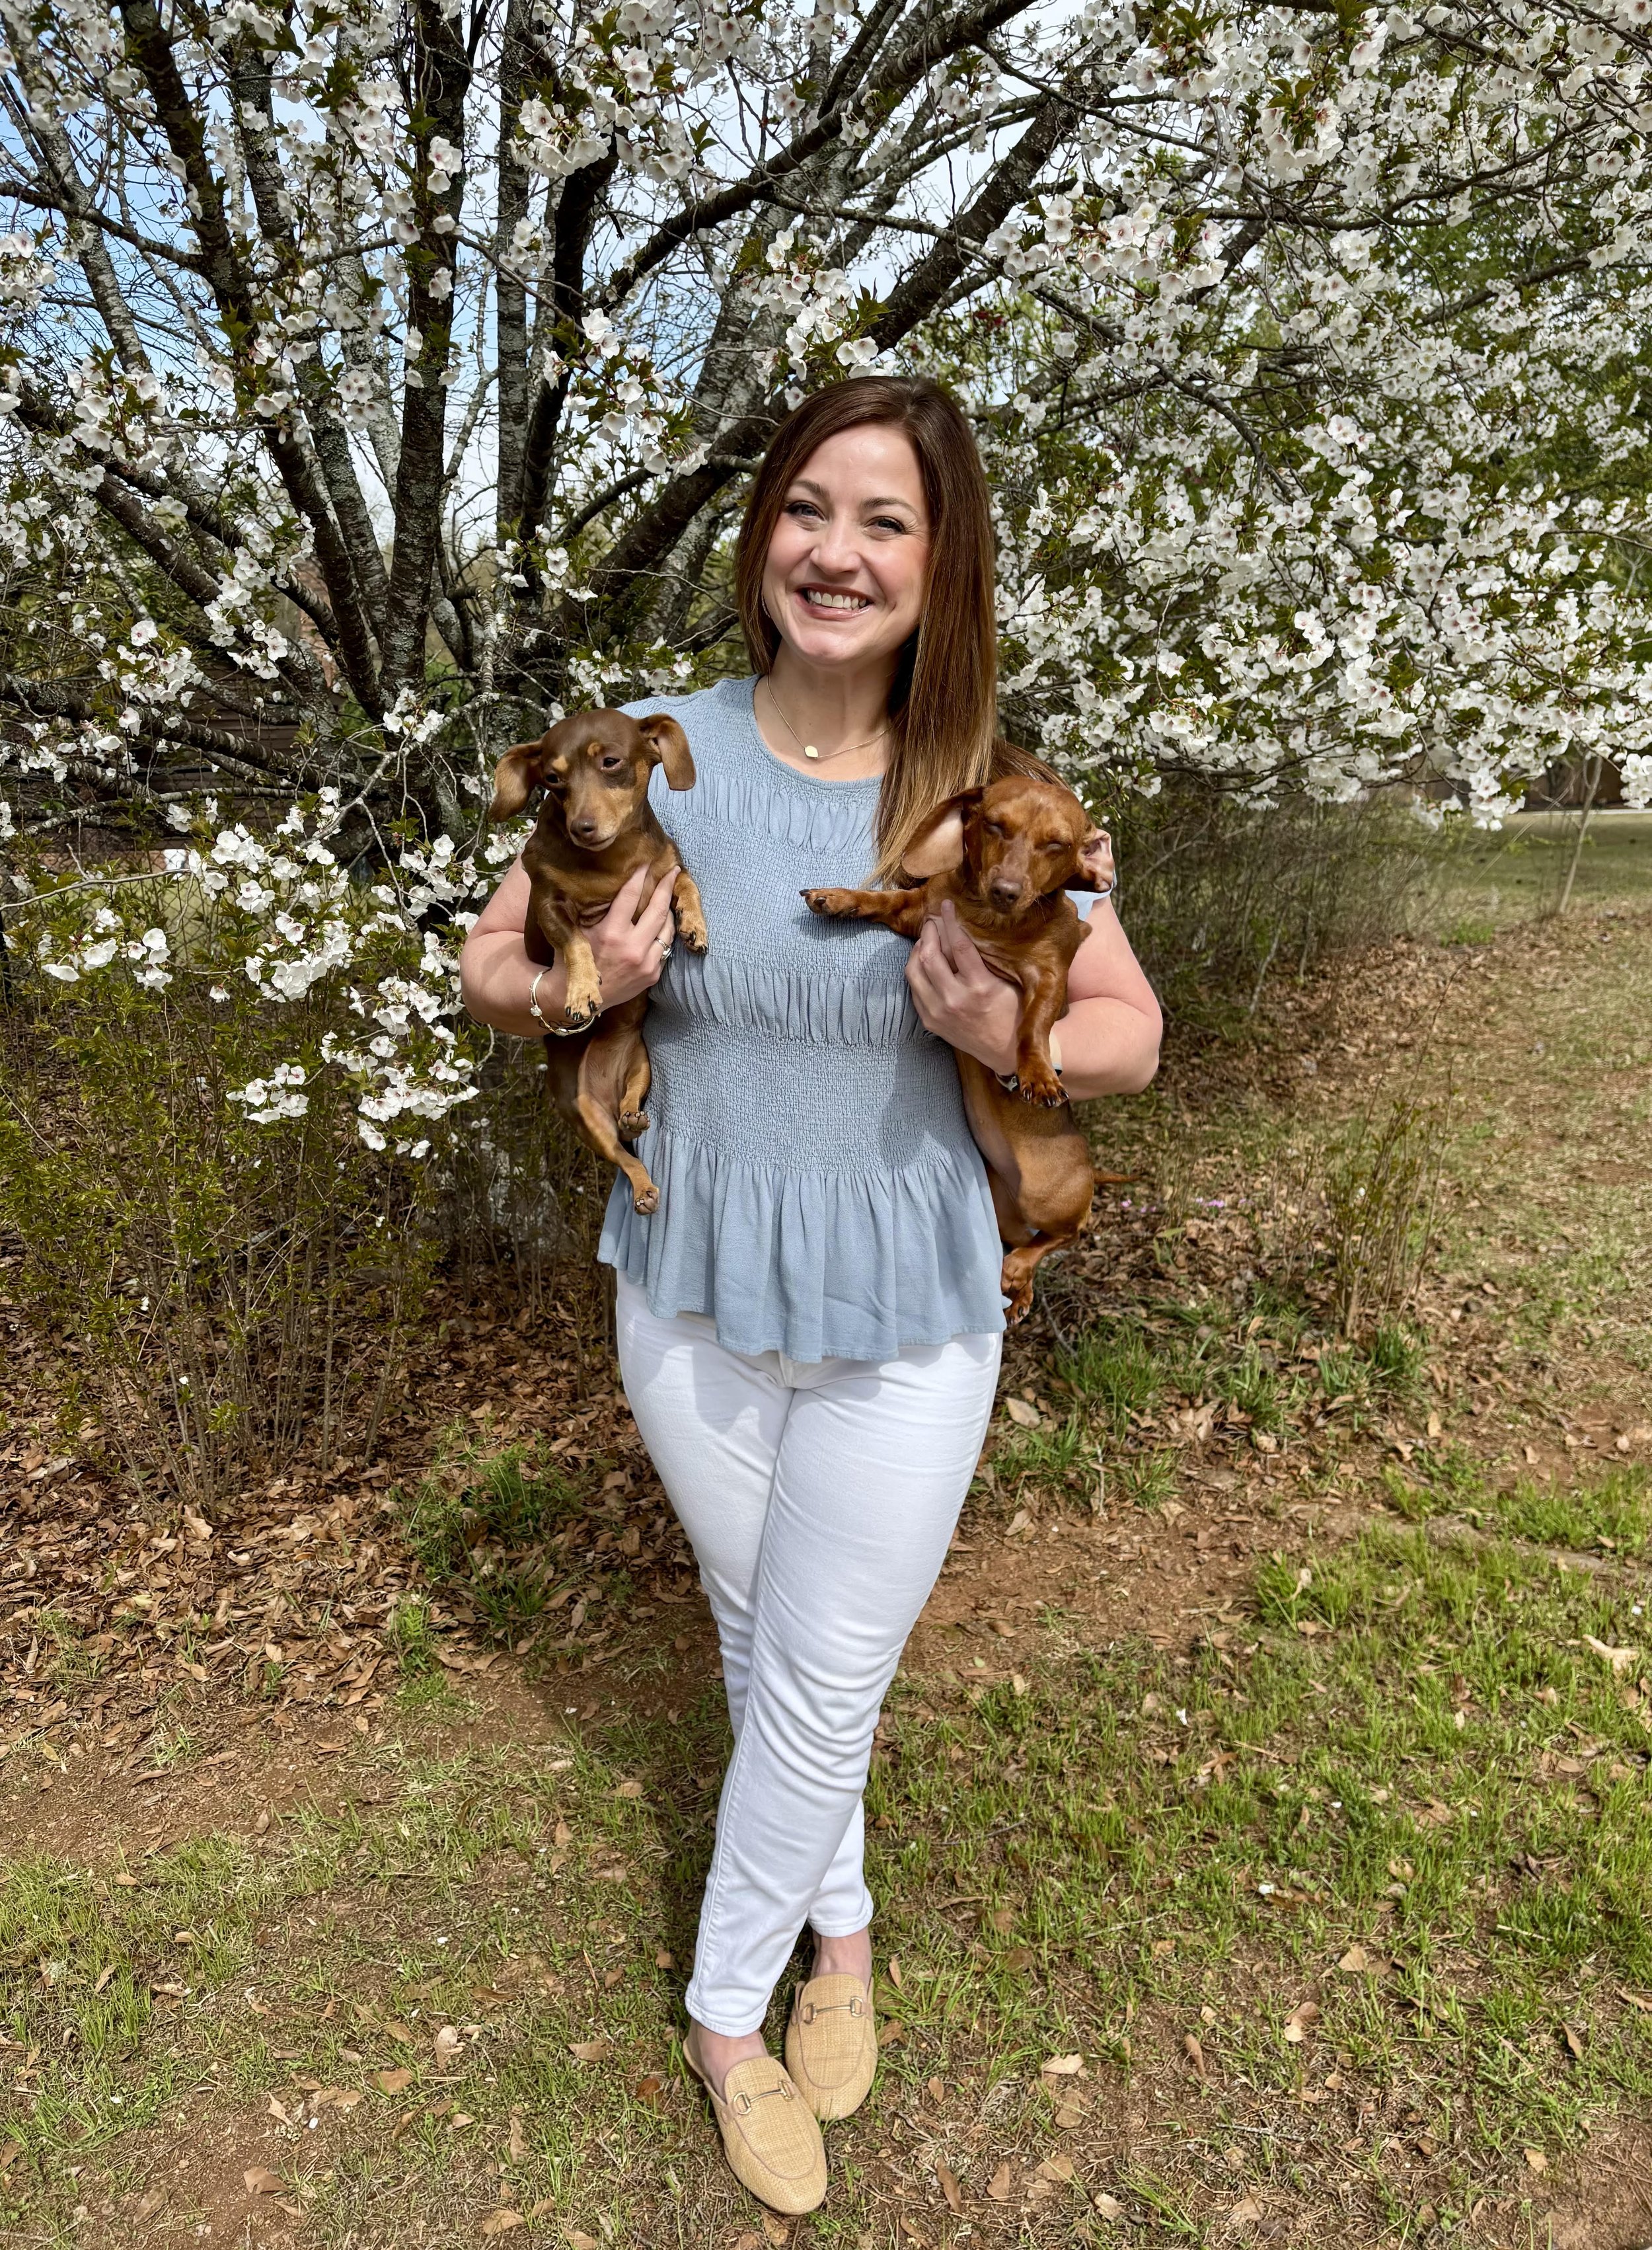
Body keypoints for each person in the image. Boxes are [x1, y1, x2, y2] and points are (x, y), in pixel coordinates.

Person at [460, 376, 1162, 2212]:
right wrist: (576, 991)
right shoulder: (657, 751)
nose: (835, 553)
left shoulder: (983, 791)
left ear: (939, 565)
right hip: (690, 1283)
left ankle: (721, 2013)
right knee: (764, 1627)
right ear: (761, 531)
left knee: (827, 1665)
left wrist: (998, 1036)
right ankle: (837, 1928)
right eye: (805, 509)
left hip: (914, 1294)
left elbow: (1129, 1030)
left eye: (884, 522)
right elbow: (489, 966)